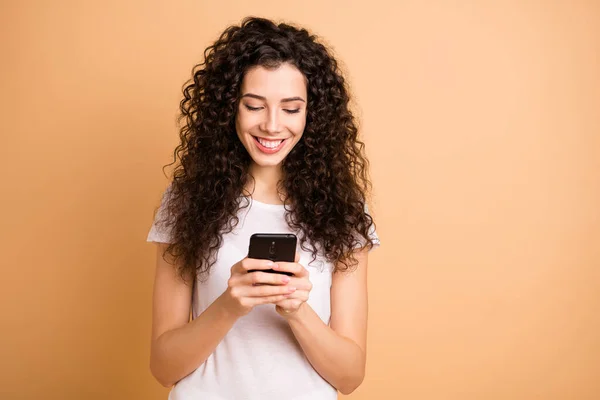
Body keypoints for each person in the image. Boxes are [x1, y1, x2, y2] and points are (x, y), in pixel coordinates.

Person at [146, 16, 381, 400]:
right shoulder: (186, 201)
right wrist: (229, 305)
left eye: (291, 109)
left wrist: (297, 311)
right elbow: (163, 367)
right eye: (254, 105)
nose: (272, 126)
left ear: (313, 114)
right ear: (229, 108)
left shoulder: (345, 209)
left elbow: (349, 377)